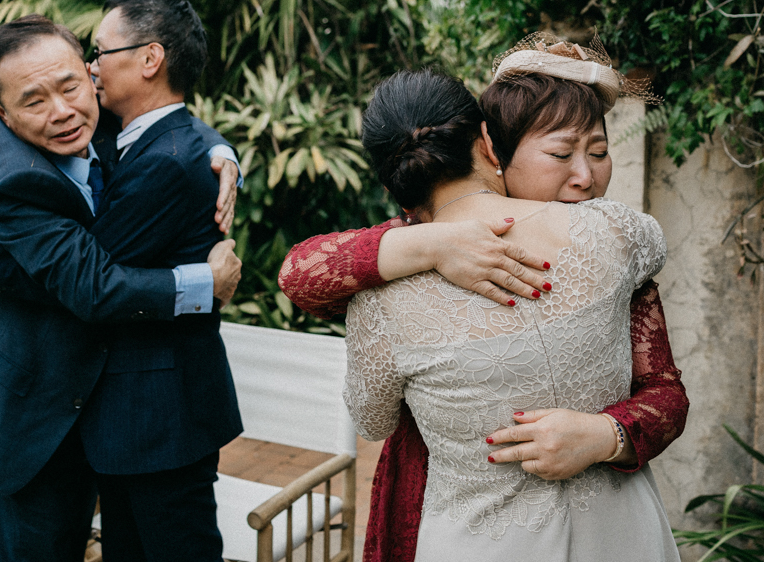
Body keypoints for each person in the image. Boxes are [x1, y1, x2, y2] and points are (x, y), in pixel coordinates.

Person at [278, 36, 687, 562]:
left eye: (601, 152)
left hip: (476, 536)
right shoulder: (617, 233)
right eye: (561, 153)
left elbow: (373, 422)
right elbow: (301, 274)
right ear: (492, 146)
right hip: (611, 535)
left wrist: (606, 435)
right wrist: (434, 243)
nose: (585, 177)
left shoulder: (379, 296)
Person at [0, 0, 240, 562]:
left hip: (101, 415)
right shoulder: (18, 179)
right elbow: (91, 285)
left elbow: (170, 131)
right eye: (33, 100)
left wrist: (220, 151)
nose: (61, 109)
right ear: (3, 115)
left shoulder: (104, 127)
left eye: (72, 82)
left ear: (91, 76)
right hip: (29, 415)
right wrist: (202, 285)